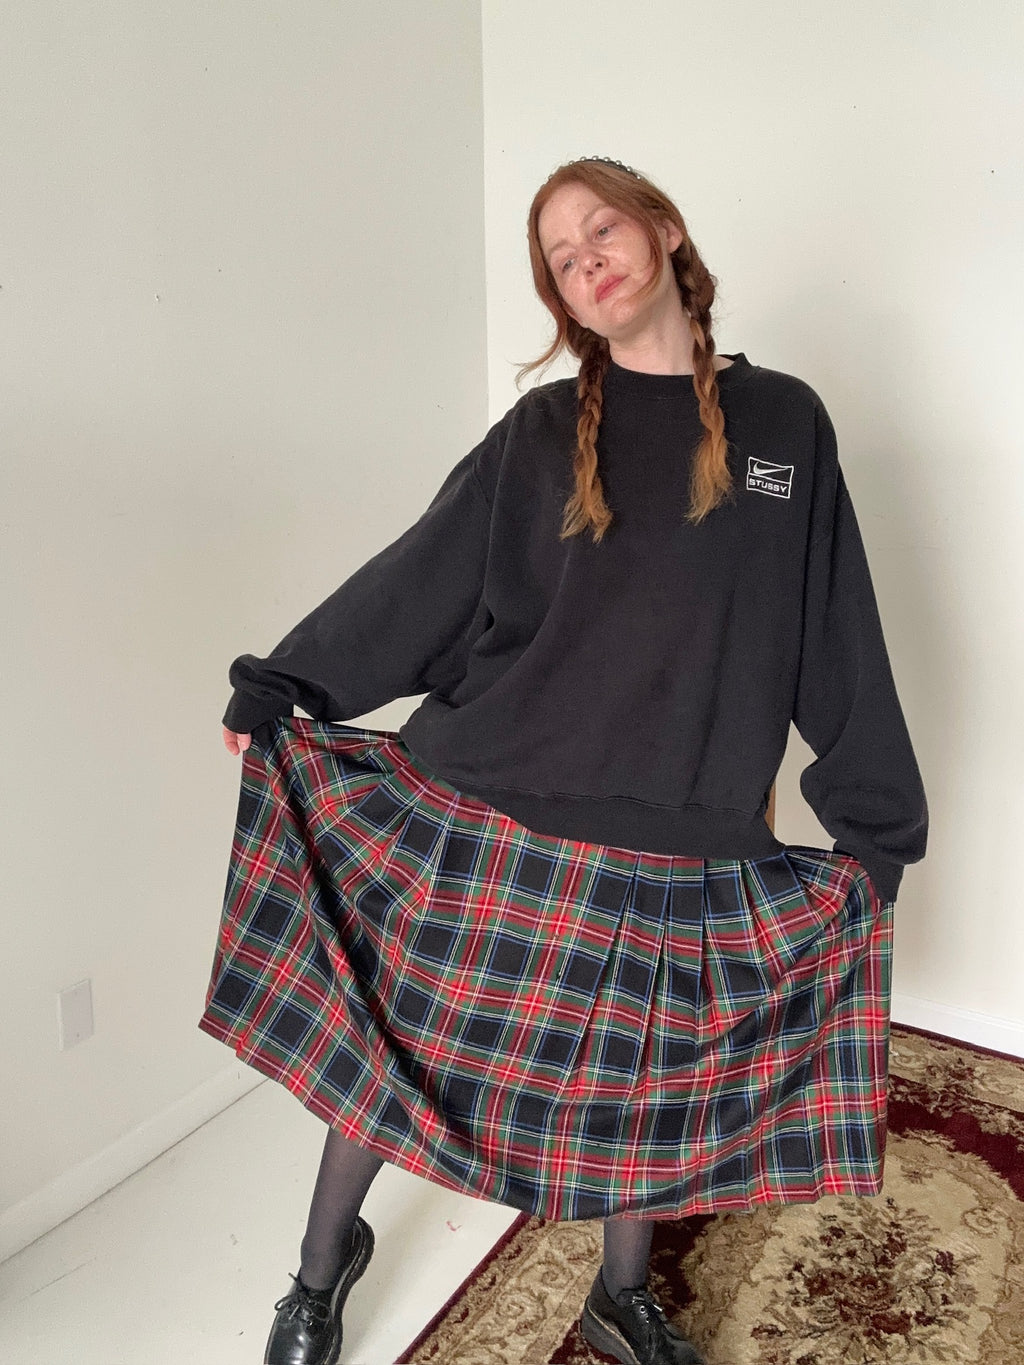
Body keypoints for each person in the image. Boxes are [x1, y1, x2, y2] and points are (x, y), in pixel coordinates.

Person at [202, 155, 928, 1365]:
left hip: (683, 822)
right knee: (402, 1047)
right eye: (559, 256)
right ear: (561, 299)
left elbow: (830, 626)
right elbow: (419, 578)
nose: (586, 258)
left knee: (651, 1093)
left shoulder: (786, 422)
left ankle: (617, 1297)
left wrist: (871, 823)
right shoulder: (542, 430)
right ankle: (318, 1273)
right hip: (494, 802)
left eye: (601, 228)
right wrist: (288, 684)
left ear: (663, 232)